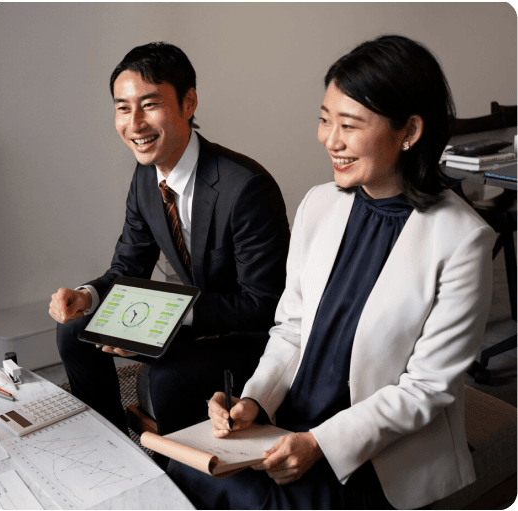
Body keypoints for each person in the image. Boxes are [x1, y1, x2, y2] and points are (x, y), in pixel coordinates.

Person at [166, 35, 496, 510]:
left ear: (410, 131)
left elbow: (428, 388)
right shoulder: (319, 204)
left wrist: (320, 443)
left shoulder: (462, 239)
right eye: (325, 119)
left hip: (373, 455)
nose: (330, 140)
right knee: (186, 468)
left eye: (349, 125)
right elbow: (292, 330)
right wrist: (254, 403)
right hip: (290, 427)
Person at [48, 42, 290, 445]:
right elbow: (128, 268)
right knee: (74, 331)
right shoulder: (146, 178)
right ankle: (115, 449)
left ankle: (180, 479)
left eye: (149, 104)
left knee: (168, 378)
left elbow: (263, 305)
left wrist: (167, 315)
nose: (135, 123)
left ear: (189, 101)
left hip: (247, 337)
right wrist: (88, 296)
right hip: (192, 319)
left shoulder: (246, 187)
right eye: (123, 108)